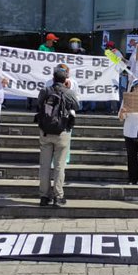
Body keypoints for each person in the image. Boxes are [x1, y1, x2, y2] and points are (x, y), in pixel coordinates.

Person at [37, 68, 80, 207]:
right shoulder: (69, 92)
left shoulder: (45, 91)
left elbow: (39, 104)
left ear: (53, 78)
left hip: (45, 132)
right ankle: (58, 196)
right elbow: (77, 105)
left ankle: (44, 196)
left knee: (44, 166)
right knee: (59, 166)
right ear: (66, 79)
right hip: (62, 132)